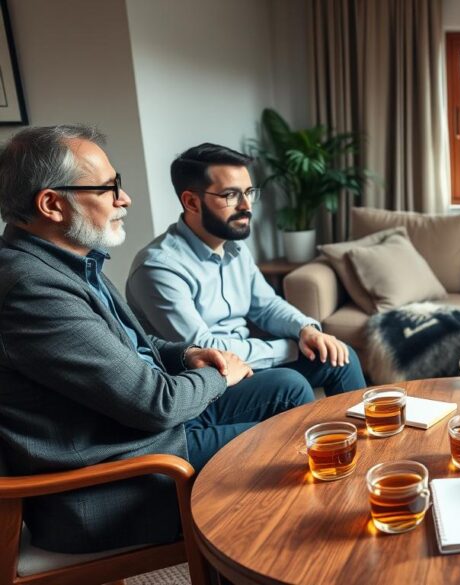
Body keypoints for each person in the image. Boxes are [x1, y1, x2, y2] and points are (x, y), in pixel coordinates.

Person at [0, 126, 315, 554]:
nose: (124, 199)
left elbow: (130, 343)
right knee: (285, 445)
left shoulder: (70, 262)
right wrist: (222, 376)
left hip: (142, 433)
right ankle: (267, 552)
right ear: (52, 204)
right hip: (120, 474)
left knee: (288, 388)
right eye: (109, 188)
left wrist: (187, 354)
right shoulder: (32, 289)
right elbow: (156, 403)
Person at [126, 143, 366, 396]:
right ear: (192, 202)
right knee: (288, 385)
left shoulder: (234, 248)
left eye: (249, 192)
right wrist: (290, 347)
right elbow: (207, 348)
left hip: (245, 361)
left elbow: (266, 305)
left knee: (340, 356)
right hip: (206, 381)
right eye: (231, 195)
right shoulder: (158, 268)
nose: (246, 206)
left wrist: (304, 329)